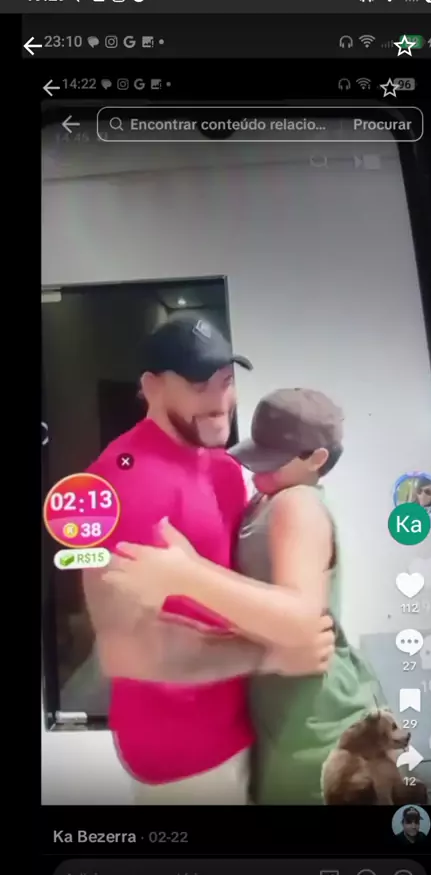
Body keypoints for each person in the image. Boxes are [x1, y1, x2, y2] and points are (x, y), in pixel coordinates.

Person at [83, 318, 335, 805]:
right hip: (183, 754)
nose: (220, 401)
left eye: (226, 381)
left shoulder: (222, 466)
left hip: (249, 724)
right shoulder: (120, 484)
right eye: (199, 385)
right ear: (152, 387)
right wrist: (268, 656)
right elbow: (128, 651)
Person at [105, 387, 384, 805]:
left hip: (315, 716)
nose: (257, 470)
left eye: (273, 458)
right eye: (258, 452)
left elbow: (301, 619)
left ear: (316, 459)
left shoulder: (297, 504)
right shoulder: (264, 501)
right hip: (282, 710)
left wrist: (187, 574)